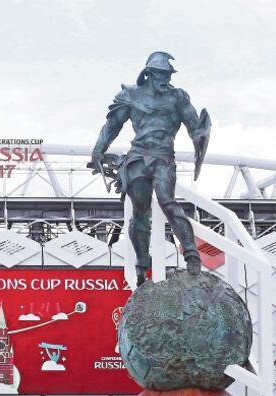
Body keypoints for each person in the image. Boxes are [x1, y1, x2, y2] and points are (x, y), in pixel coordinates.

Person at [91, 52, 212, 285]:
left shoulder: (177, 97)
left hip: (163, 158)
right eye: (161, 74)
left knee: (168, 202)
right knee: (140, 212)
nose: (165, 79)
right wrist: (98, 150)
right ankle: (141, 264)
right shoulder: (130, 95)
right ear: (149, 74)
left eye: (168, 75)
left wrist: (201, 135)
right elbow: (112, 125)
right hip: (137, 158)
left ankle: (191, 253)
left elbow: (194, 126)